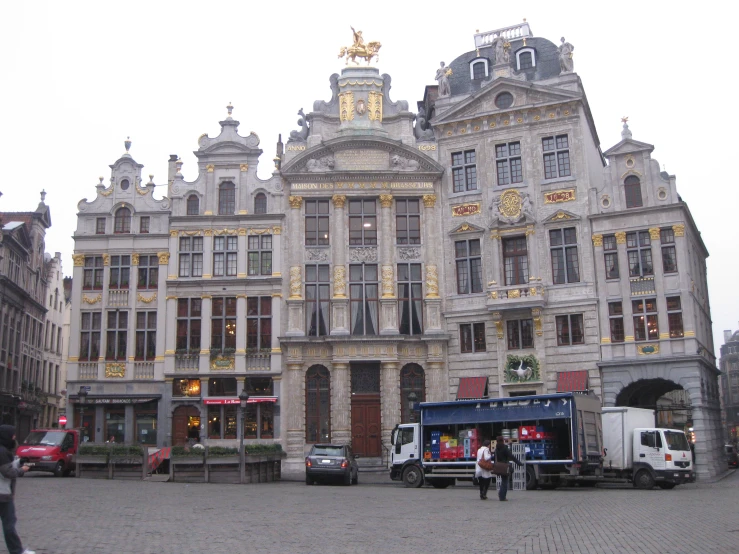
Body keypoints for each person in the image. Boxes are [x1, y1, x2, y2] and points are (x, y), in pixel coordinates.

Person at [0, 425, 35, 554]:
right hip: (3, 494)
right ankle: (17, 551)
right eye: (13, 435)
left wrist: (19, 462)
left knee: (9, 523)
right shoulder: (2, 452)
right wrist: (22, 470)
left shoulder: (4, 451)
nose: (14, 437)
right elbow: (7, 472)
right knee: (9, 524)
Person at [493, 436, 523, 501]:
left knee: (503, 481)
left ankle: (501, 494)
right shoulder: (505, 448)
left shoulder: (496, 449)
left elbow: (494, 459)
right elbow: (511, 456)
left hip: (499, 467)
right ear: (502, 441)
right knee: (505, 482)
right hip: (505, 467)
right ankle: (502, 496)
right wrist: (519, 463)